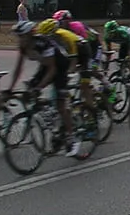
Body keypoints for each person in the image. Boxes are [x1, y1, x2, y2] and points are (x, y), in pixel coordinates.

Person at [9, 21, 79, 157]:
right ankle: (50, 118)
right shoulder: (23, 47)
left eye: (22, 36)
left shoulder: (42, 43)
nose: (20, 40)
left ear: (30, 35)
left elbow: (52, 70)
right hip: (45, 66)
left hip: (59, 67)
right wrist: (10, 89)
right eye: (18, 37)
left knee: (60, 105)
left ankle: (72, 137)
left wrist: (39, 87)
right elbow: (18, 68)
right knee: (29, 92)